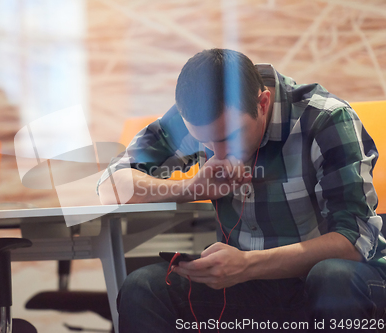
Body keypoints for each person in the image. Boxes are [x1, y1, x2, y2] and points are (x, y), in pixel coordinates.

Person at [97, 49, 386, 332]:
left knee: (332, 276)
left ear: (262, 103)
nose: (219, 152)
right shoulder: (194, 118)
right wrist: (191, 187)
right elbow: (110, 186)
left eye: (230, 136)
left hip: (342, 281)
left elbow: (353, 242)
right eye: (206, 142)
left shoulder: (325, 118)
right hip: (252, 287)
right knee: (144, 288)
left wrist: (248, 264)